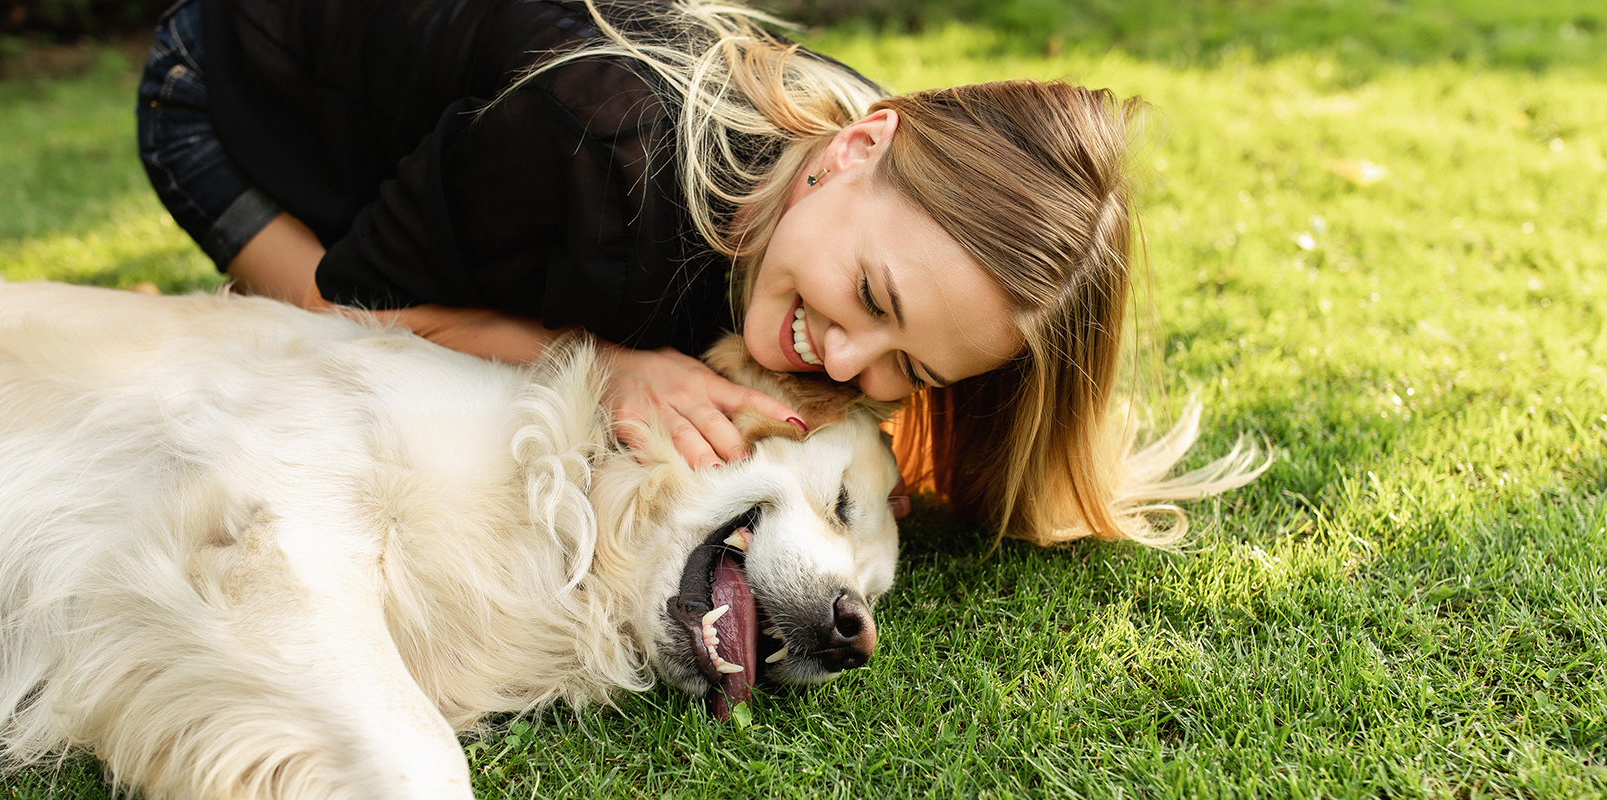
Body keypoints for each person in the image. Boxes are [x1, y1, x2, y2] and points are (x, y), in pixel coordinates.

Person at [138, 0, 1206, 546]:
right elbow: (354, 306)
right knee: (321, 336)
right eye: (876, 300)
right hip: (231, 93)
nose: (843, 356)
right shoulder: (600, 140)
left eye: (910, 369)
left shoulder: (868, 201)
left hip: (439, 144)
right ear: (853, 147)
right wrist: (599, 363)